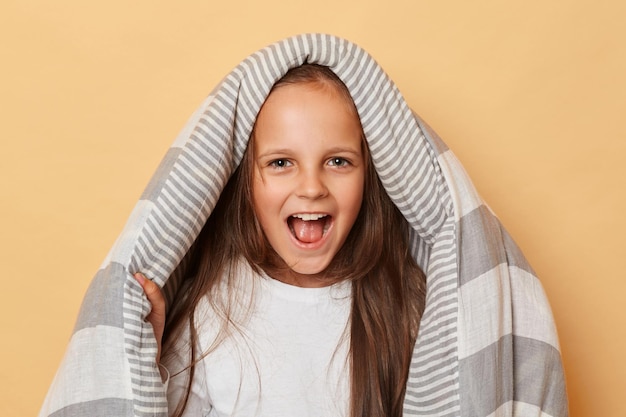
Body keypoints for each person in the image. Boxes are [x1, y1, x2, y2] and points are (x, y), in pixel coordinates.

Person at [135, 63, 427, 417]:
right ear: (246, 182)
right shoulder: (212, 307)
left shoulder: (406, 301)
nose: (311, 188)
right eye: (281, 162)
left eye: (337, 161)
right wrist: (144, 356)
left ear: (371, 173)